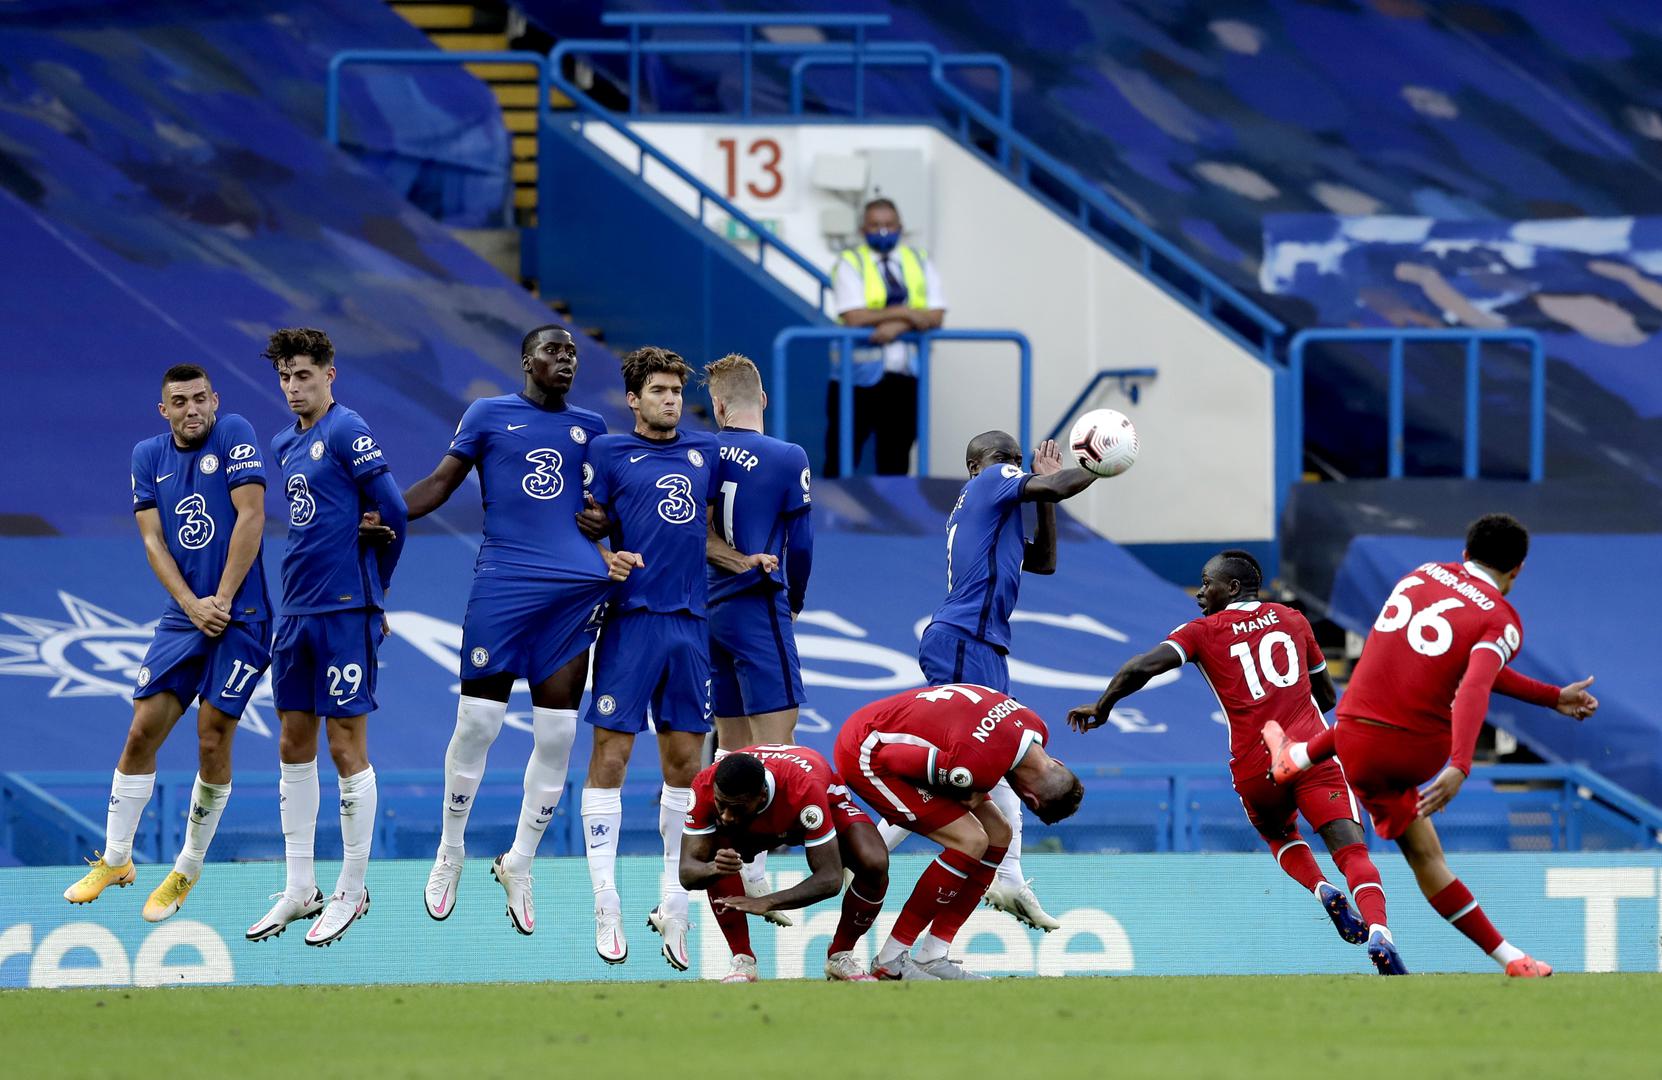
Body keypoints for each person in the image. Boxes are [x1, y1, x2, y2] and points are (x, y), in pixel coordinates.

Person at [372, 325, 632, 934]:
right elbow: (440, 483)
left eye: (571, 353)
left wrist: (604, 519)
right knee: (478, 723)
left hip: (572, 594)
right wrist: (383, 510)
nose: (564, 360)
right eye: (553, 351)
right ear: (526, 360)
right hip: (505, 583)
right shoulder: (489, 414)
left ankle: (520, 863)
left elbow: (605, 508)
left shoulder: (591, 428)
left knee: (558, 738)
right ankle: (451, 848)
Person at [1264, 514, 1599, 978]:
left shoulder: (1421, 574)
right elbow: (1475, 685)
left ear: (1465, 553)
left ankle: (1296, 757)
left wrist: (1550, 695)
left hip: (1352, 740)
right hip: (1412, 748)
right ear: (1517, 570)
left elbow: (1461, 663)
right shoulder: (1500, 619)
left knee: (1380, 718)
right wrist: (1461, 764)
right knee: (1429, 859)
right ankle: (1512, 962)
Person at [1067, 550, 1403, 974]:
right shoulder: (1294, 619)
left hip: (1254, 765)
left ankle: (1320, 888)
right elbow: (1329, 698)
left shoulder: (1202, 632)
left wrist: (1104, 705)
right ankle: (1379, 933)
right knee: (1353, 852)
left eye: (1207, 583)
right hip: (1311, 754)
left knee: (1278, 834)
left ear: (1233, 587)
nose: (1200, 593)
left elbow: (1142, 667)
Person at [579, 346, 775, 971]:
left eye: (674, 391)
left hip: (692, 627)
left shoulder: (704, 454)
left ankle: (673, 904)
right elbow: (581, 523)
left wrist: (743, 561)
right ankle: (605, 901)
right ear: (633, 399)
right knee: (610, 753)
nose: (668, 400)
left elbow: (705, 532)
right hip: (631, 624)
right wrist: (600, 557)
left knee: (688, 766)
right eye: (657, 391)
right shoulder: (607, 453)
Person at [64, 365, 270, 923]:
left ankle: (187, 868)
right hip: (184, 617)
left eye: (200, 398)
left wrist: (221, 599)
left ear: (215, 399)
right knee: (140, 732)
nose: (192, 409)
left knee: (211, 738)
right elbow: (153, 542)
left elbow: (252, 517)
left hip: (242, 614)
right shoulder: (147, 456)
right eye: (179, 402)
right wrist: (191, 605)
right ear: (164, 410)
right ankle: (116, 860)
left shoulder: (234, 433)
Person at [245, 328, 407, 947]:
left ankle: (351, 887)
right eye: (285, 377)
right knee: (292, 740)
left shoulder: (346, 430)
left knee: (345, 745)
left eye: (304, 376)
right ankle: (300, 886)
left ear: (330, 375)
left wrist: (376, 593)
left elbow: (391, 511)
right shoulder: (283, 442)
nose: (293, 388)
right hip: (299, 612)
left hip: (345, 612)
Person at [906, 431, 1100, 932]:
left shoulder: (996, 513)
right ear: (977, 466)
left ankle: (1008, 877)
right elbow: (1053, 488)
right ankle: (873, 844)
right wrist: (1103, 465)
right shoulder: (991, 482)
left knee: (998, 756)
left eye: (1017, 460)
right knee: (977, 760)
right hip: (965, 638)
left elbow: (1045, 562)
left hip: (982, 643)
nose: (1014, 464)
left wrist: (1048, 491)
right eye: (1005, 458)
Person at [833, 684, 1084, 980]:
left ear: (1057, 763)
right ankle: (891, 960)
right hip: (866, 752)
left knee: (999, 833)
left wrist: (966, 788)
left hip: (900, 731)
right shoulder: (972, 767)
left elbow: (971, 763)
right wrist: (961, 786)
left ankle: (933, 955)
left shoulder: (1036, 727)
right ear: (1030, 800)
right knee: (970, 840)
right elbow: (892, 758)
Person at [703, 353, 814, 924]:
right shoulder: (786, 457)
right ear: (762, 400)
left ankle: (731, 862)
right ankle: (759, 864)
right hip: (756, 603)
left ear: (717, 406)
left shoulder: (695, 451)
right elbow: (802, 542)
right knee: (778, 745)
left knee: (730, 747)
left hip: (705, 610)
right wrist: (792, 601)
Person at [679, 746, 887, 983]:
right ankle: (742, 961)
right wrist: (714, 868)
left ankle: (840, 957)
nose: (726, 815)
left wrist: (768, 902)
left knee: (874, 863)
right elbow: (687, 873)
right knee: (715, 851)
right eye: (721, 804)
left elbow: (830, 878)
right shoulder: (705, 785)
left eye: (735, 807)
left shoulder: (803, 789)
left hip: (820, 806)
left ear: (763, 794)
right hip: (758, 823)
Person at [825, 197, 945, 476]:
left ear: (900, 227)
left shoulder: (919, 260)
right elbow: (854, 316)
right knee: (840, 458)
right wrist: (909, 314)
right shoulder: (851, 261)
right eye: (875, 225)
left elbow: (936, 315)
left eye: (889, 224)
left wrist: (897, 326)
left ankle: (891, 520)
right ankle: (833, 520)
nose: (882, 230)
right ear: (862, 229)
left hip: (904, 377)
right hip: (854, 379)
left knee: (896, 460)